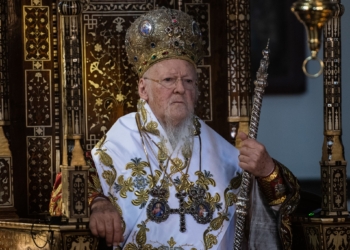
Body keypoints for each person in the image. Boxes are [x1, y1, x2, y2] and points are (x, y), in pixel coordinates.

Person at [88, 7, 300, 250]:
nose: (180, 88)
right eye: (168, 80)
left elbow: (282, 203)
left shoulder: (220, 150)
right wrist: (98, 203)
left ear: (197, 91)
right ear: (143, 89)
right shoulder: (120, 138)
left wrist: (267, 171)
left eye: (188, 81)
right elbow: (72, 188)